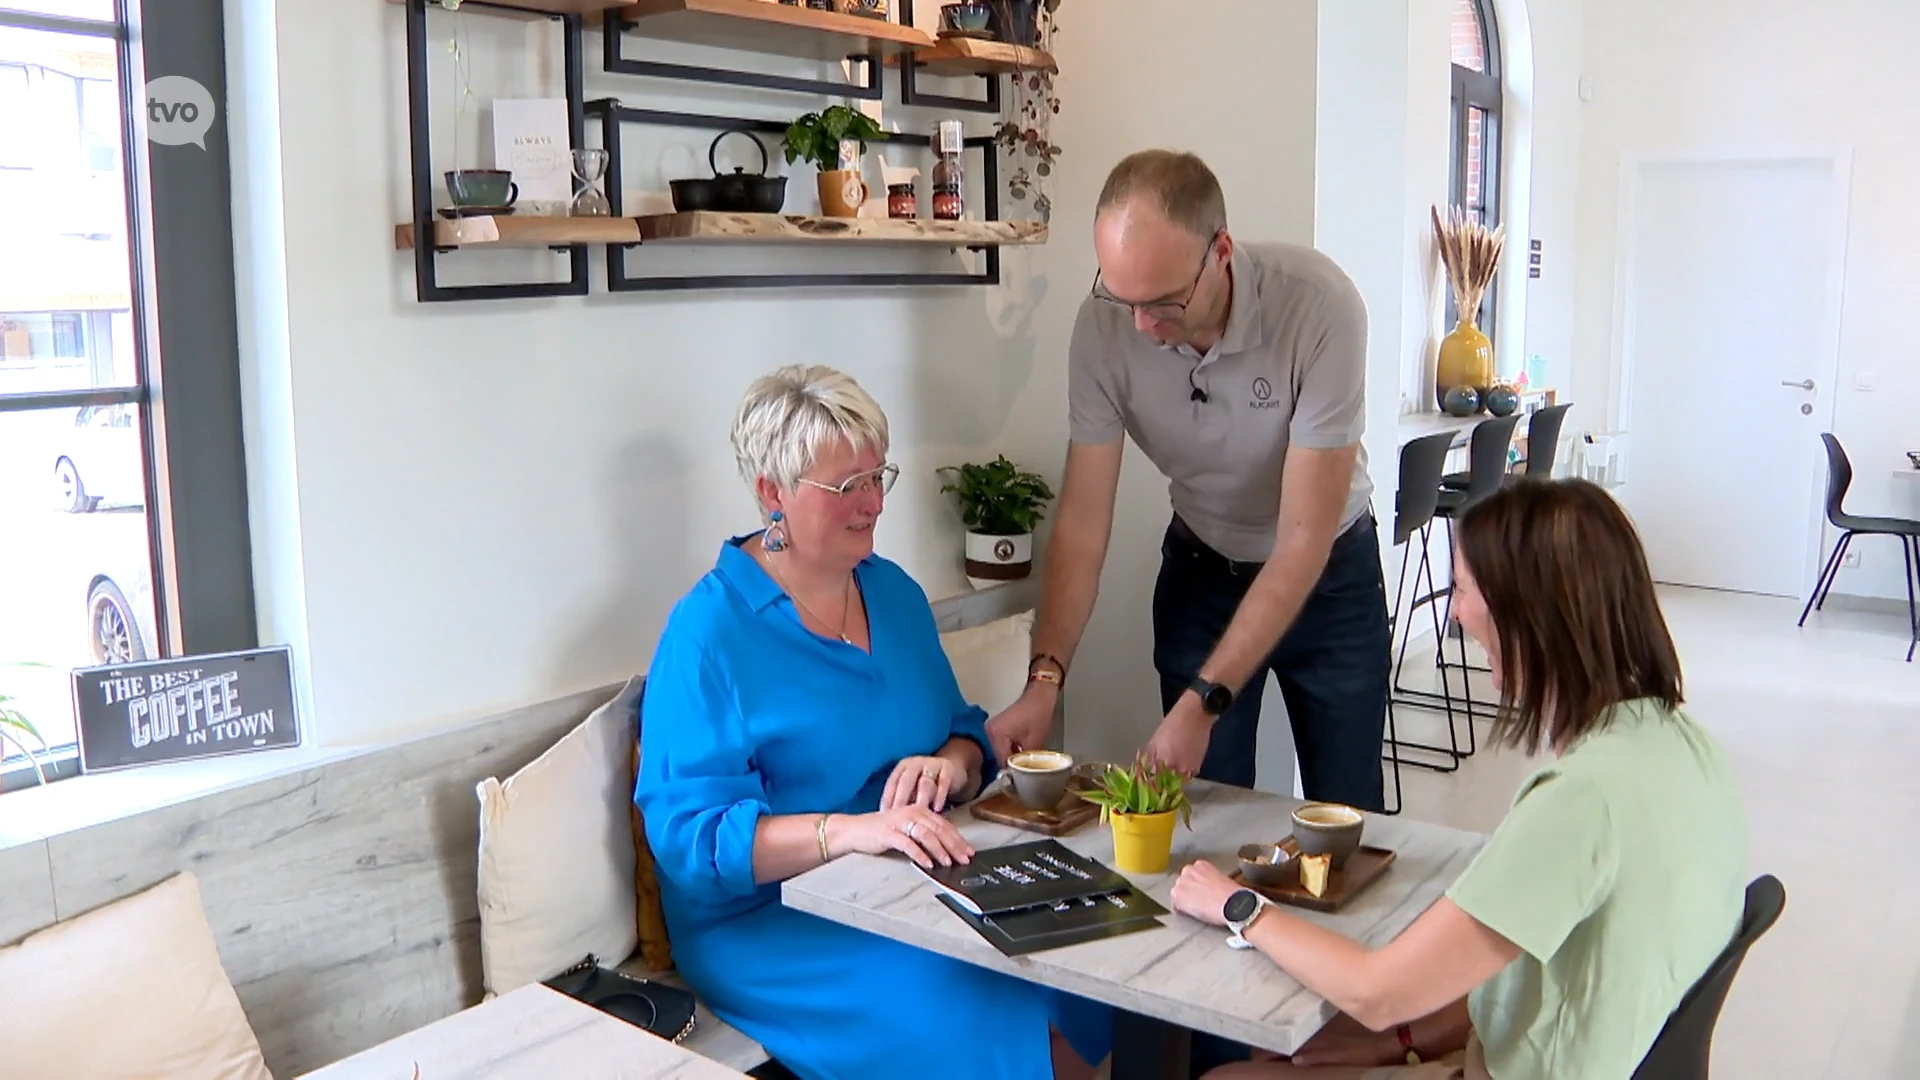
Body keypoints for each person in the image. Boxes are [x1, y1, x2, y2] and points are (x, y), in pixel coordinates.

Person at [1167, 478, 1751, 1080]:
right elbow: (1513, 971)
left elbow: (1377, 991)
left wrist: (1238, 904)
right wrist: (1399, 1043)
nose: (1455, 611)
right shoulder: (1684, 743)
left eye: (1462, 589)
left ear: (1526, 613)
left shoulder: (1583, 800)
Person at [633, 364, 1112, 1080]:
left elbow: (965, 730)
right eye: (844, 487)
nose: (872, 504)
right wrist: (850, 831)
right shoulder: (708, 635)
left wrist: (950, 763)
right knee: (990, 1010)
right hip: (774, 919)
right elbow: (692, 843)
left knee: (1086, 962)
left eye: (876, 477)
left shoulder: (892, 593)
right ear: (773, 492)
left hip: (912, 881)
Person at [985, 149, 1392, 814]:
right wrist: (1046, 679)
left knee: (1345, 809)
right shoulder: (1104, 328)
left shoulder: (1319, 306)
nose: (1142, 326)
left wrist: (1205, 699)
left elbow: (1301, 542)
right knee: (1205, 807)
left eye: (1164, 302)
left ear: (1221, 252)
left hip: (1328, 576)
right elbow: (1084, 525)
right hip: (1204, 572)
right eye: (1123, 298)